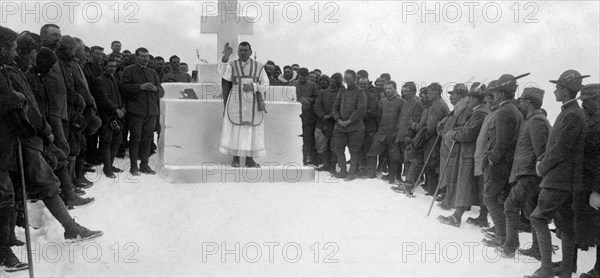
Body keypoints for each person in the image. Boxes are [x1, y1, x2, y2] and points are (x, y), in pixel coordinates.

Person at [525, 70, 588, 278]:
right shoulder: (571, 112)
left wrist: (542, 166)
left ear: (564, 89)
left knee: (538, 218)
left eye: (557, 87)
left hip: (559, 180)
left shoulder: (572, 114)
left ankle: (546, 269)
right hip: (565, 180)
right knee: (564, 224)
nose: (554, 91)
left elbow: (561, 149)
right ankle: (567, 269)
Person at [495, 87, 550, 258]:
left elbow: (541, 151)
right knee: (531, 211)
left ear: (528, 102)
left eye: (523, 100)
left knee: (510, 206)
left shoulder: (536, 121)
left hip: (529, 174)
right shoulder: (533, 119)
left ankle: (510, 247)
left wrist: (535, 172)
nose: (520, 103)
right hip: (527, 173)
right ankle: (537, 249)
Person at [437, 84, 490, 227]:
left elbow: (468, 133)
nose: (468, 101)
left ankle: (457, 217)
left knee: (465, 184)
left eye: (470, 98)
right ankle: (483, 217)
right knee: (478, 186)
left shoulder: (480, 113)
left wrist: (453, 134)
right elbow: (466, 128)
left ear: (474, 99)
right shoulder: (479, 111)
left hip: (470, 154)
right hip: (473, 153)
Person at [481, 73, 524, 248]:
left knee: (489, 197)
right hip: (509, 163)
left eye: (496, 92)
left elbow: (502, 143)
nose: (494, 96)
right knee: (504, 200)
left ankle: (501, 235)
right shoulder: (514, 109)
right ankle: (508, 237)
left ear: (500, 93)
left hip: (500, 164)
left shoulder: (504, 111)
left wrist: (491, 159)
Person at [0, 25, 30, 272]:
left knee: (6, 196)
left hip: (4, 146)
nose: (14, 52)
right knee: (4, 197)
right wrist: (14, 98)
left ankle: (5, 244)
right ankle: (3, 253)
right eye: (12, 48)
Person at [218, 42, 269, 167]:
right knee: (235, 129)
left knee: (251, 130)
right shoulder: (232, 65)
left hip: (253, 102)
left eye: (245, 50)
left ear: (250, 52)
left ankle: (249, 159)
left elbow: (266, 84)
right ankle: (235, 158)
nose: (242, 52)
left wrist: (254, 86)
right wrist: (226, 57)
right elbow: (222, 72)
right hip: (236, 100)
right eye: (240, 50)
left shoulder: (259, 66)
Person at [119, 47, 165, 175]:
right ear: (136, 57)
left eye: (147, 56)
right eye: (143, 56)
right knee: (135, 138)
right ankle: (133, 166)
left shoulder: (152, 72)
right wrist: (140, 87)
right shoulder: (129, 70)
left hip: (151, 112)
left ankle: (144, 165)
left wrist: (155, 88)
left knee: (148, 139)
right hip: (136, 111)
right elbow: (123, 87)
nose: (146, 59)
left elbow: (161, 92)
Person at [573, 84, 600, 278]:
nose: (583, 105)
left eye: (587, 101)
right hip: (587, 183)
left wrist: (597, 190)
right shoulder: (591, 119)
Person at [408, 83, 449, 195]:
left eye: (430, 92)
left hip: (433, 139)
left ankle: (432, 191)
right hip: (432, 138)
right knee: (428, 163)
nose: (428, 95)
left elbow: (431, 126)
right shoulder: (436, 104)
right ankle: (430, 190)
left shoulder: (438, 105)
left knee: (431, 164)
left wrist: (421, 136)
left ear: (436, 93)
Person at [437, 83, 471, 209]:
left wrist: (449, 134)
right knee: (447, 172)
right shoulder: (457, 109)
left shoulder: (464, 108)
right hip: (447, 146)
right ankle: (447, 195)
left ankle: (451, 200)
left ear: (461, 95)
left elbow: (461, 127)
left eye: (454, 94)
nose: (451, 97)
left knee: (452, 173)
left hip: (453, 147)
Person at [92, 58, 125, 178]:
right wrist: (115, 109)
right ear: (104, 66)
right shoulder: (100, 80)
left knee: (117, 141)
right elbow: (102, 98)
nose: (112, 68)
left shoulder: (115, 79)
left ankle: (110, 165)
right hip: (106, 116)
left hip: (117, 115)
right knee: (106, 142)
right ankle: (107, 168)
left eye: (114, 66)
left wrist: (122, 108)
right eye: (110, 66)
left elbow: (120, 96)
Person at [332, 69, 367, 181]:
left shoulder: (360, 92)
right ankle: (342, 171)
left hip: (355, 128)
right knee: (339, 149)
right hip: (340, 127)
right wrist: (338, 119)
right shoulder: (342, 90)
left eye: (348, 79)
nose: (346, 81)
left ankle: (351, 173)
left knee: (354, 151)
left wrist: (349, 121)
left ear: (354, 79)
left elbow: (361, 109)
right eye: (345, 79)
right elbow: (335, 107)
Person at [366, 81, 404, 181]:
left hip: (394, 134)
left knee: (394, 156)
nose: (388, 90)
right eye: (386, 88)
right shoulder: (382, 101)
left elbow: (402, 119)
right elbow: (378, 117)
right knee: (372, 152)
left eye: (390, 88)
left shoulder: (401, 102)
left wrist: (397, 133)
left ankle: (392, 177)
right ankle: (371, 174)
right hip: (382, 132)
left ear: (395, 89)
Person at [394, 82, 423, 187]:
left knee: (410, 159)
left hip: (409, 137)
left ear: (414, 91)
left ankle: (411, 182)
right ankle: (409, 181)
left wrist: (409, 135)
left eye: (407, 91)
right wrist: (397, 133)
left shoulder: (417, 103)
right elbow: (401, 119)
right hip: (401, 135)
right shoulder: (406, 102)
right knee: (405, 159)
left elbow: (415, 120)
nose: (404, 93)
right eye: (403, 91)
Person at [313, 74, 339, 173]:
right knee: (320, 145)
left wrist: (332, 115)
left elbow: (341, 106)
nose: (332, 84)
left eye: (333, 82)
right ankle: (326, 164)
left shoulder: (341, 93)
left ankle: (332, 166)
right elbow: (317, 105)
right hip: (322, 123)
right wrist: (323, 115)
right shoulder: (322, 92)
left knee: (334, 146)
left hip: (335, 123)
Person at [356, 71, 380, 178]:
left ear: (367, 84)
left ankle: (371, 171)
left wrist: (359, 115)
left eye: (364, 84)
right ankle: (362, 169)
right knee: (359, 148)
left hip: (369, 127)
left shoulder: (372, 96)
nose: (362, 86)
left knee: (370, 150)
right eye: (360, 84)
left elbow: (373, 111)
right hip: (356, 128)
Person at [295, 68, 319, 166]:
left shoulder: (313, 85)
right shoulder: (293, 84)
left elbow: (317, 98)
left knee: (307, 140)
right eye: (300, 77)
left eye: (304, 77)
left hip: (309, 117)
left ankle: (306, 160)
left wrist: (310, 100)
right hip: (296, 117)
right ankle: (297, 159)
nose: (301, 79)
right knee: (296, 139)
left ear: (307, 76)